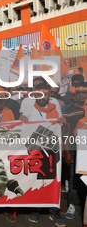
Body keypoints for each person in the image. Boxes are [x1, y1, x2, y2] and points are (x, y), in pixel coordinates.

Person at [19, 83, 67, 227]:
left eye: (45, 94)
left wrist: (62, 122)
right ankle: (35, 209)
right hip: (34, 149)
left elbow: (60, 123)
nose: (42, 97)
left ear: (49, 95)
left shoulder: (55, 104)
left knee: (52, 180)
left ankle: (54, 210)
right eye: (39, 94)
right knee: (35, 179)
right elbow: (21, 122)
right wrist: (22, 118)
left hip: (52, 148)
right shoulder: (27, 104)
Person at [62, 82, 87, 220]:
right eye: (78, 93)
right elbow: (65, 133)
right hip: (75, 150)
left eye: (84, 92)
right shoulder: (68, 110)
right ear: (74, 95)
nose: (81, 95)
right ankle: (73, 204)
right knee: (74, 180)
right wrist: (66, 151)